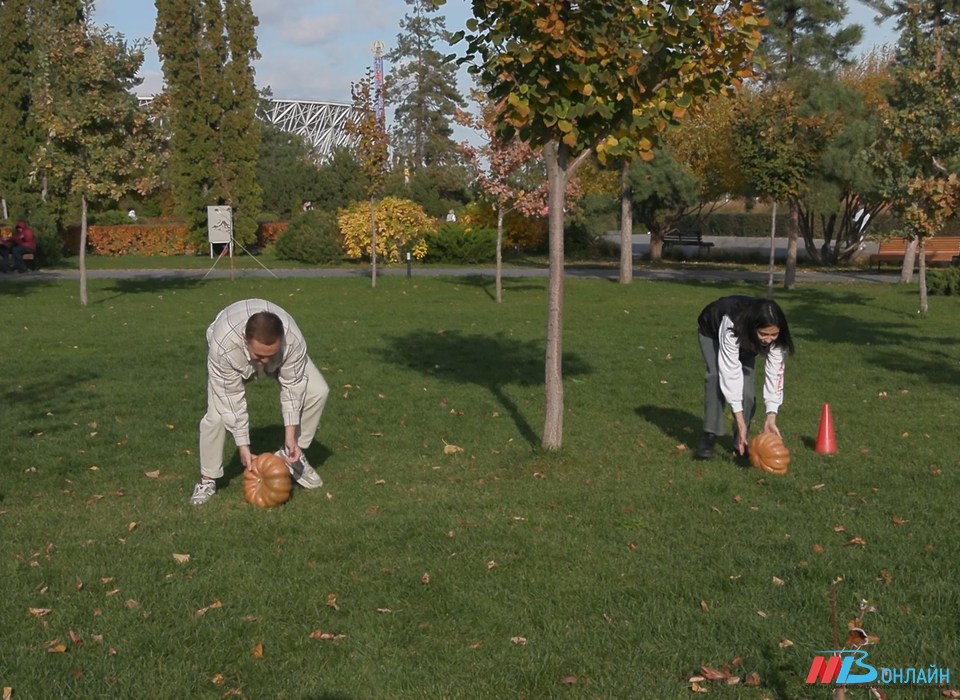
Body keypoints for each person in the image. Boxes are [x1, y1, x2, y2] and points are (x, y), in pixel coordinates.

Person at [190, 299, 331, 505]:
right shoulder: (223, 345)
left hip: (284, 355)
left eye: (270, 355)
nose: (264, 361)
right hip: (232, 359)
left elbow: (293, 389)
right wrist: (244, 447)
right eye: (259, 355)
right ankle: (208, 479)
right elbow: (232, 400)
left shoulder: (293, 340)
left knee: (318, 391)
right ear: (244, 339)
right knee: (216, 417)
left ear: (281, 340)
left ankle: (291, 454)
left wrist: (290, 436)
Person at [694, 295, 794, 460]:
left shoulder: (777, 339)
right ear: (754, 327)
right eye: (764, 333)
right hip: (712, 332)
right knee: (716, 377)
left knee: (747, 394)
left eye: (773, 334)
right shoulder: (733, 324)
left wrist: (771, 415)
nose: (769, 340)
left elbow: (775, 375)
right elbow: (730, 371)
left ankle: (740, 441)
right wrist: (738, 417)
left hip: (747, 343)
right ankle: (710, 436)